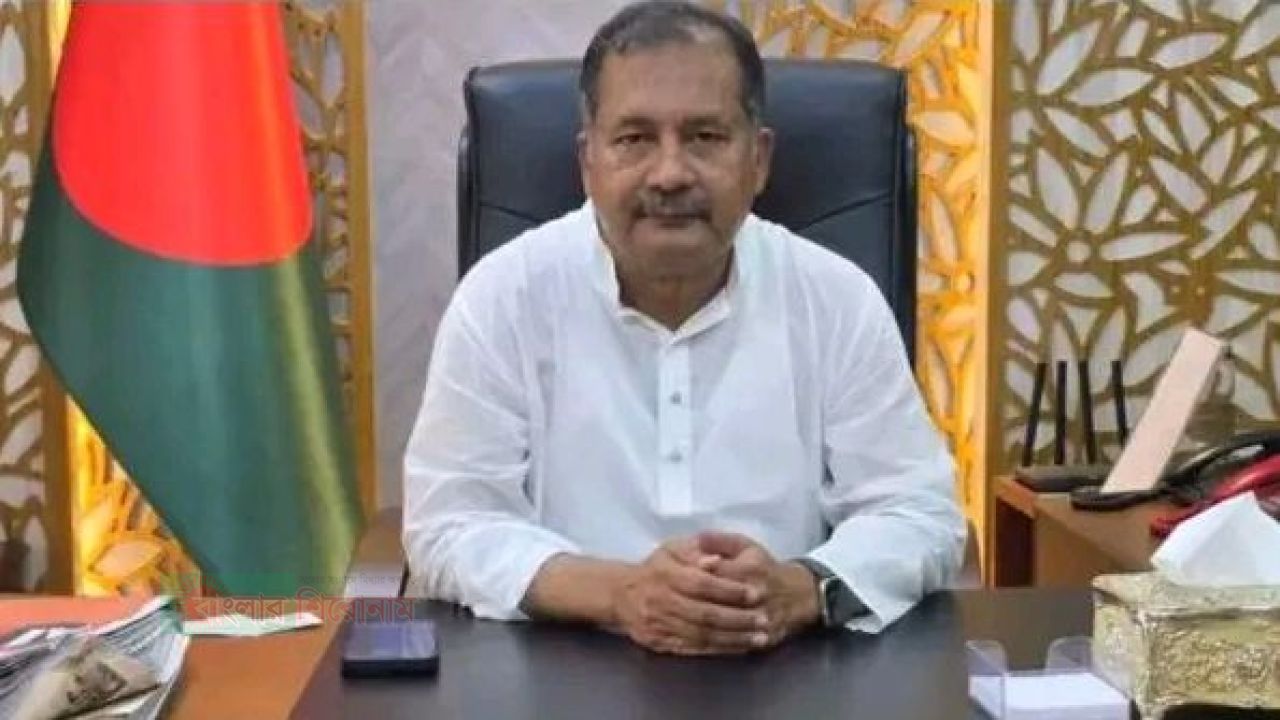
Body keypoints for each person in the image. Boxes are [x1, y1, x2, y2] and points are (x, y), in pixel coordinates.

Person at [403, 0, 965, 656]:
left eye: (704, 137)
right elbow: (448, 523)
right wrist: (621, 593)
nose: (670, 173)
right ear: (588, 162)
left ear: (758, 158)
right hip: (560, 666)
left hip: (788, 663)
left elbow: (920, 514)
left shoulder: (835, 298)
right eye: (635, 139)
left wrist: (800, 588)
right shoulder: (503, 297)